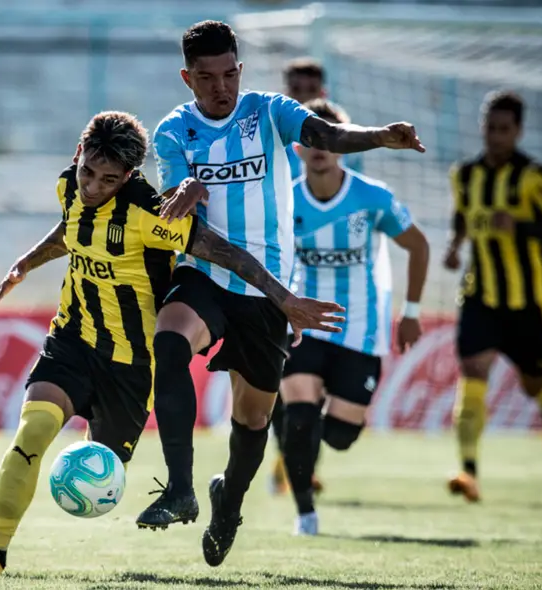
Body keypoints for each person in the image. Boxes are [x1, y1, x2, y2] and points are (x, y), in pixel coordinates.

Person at [0, 110, 345, 578]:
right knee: (32, 434)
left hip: (131, 364)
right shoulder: (68, 186)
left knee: (103, 469)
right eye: (88, 172)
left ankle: (194, 489)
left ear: (130, 176)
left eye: (109, 179)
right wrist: (25, 263)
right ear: (77, 156)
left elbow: (224, 252)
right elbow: (71, 227)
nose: (93, 186)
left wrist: (284, 300)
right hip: (72, 340)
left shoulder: (151, 211)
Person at [133, 20, 424, 568]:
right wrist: (186, 190)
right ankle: (179, 487)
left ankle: (229, 503)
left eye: (228, 75)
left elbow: (327, 136)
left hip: (265, 294)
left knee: (253, 422)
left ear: (240, 70)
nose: (220, 87)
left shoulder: (267, 110)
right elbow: (190, 228)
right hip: (208, 275)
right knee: (168, 344)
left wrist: (379, 136)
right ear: (186, 78)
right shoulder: (173, 133)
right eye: (205, 77)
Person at [277, 99, 430, 535]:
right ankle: (305, 513)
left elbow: (418, 246)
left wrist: (412, 312)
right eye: (311, 137)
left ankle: (297, 431)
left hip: (360, 332)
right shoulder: (283, 200)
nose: (320, 146)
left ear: (344, 146)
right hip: (304, 325)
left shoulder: (372, 197)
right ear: (299, 147)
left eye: (330, 137)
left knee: (340, 438)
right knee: (301, 417)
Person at [443, 90, 542, 504]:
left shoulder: (536, 177)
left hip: (526, 303)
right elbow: (462, 214)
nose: (495, 136)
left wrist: (519, 226)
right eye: (490, 127)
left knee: (533, 382)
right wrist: (454, 244)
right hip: (479, 296)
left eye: (504, 129)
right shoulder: (464, 175)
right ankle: (468, 471)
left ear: (518, 131)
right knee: (473, 374)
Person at [270, 56, 365, 497]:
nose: (301, 95)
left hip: (322, 282)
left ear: (322, 92)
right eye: (295, 87)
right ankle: (288, 457)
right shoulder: (269, 137)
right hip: (270, 269)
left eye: (309, 88)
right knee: (269, 374)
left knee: (304, 388)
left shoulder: (338, 144)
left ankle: (296, 458)